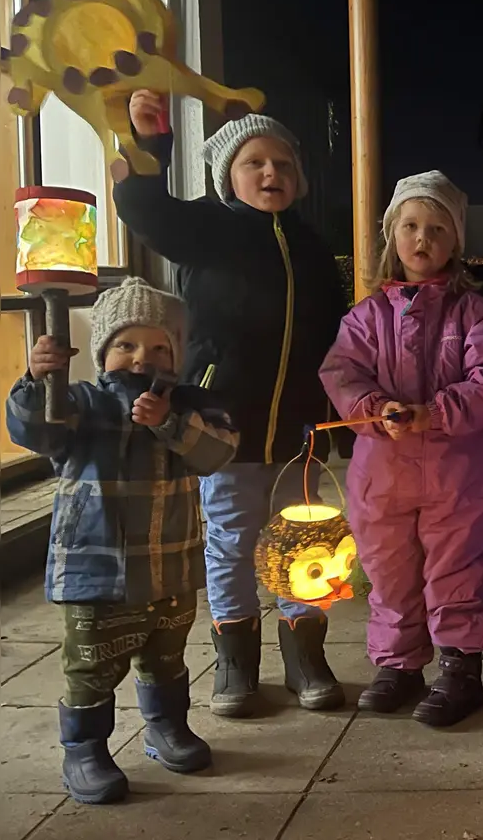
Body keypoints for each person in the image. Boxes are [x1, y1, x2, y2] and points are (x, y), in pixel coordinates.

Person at [116, 91, 349, 718]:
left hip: (300, 429)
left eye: (284, 164)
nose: (272, 173)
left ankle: (306, 657)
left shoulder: (312, 247)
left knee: (304, 540)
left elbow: (336, 336)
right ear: (228, 177)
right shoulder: (208, 231)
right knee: (230, 543)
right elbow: (145, 209)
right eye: (255, 163)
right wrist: (149, 144)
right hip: (223, 426)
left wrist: (342, 418)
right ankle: (236, 662)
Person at [6, 278, 239, 804]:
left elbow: (218, 452)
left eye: (159, 347)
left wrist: (169, 424)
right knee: (91, 663)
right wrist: (36, 381)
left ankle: (166, 726)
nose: (141, 358)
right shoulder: (80, 402)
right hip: (96, 568)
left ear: (177, 355)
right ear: (101, 351)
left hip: (171, 566)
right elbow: (36, 431)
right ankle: (84, 750)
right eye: (126, 344)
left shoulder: (192, 405)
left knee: (167, 654)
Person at [320, 171, 483, 727]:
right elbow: (342, 373)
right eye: (410, 226)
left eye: (436, 228)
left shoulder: (473, 314)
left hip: (457, 474)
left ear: (455, 242)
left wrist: (438, 411)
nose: (422, 238)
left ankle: (460, 668)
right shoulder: (366, 317)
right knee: (389, 569)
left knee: (457, 568)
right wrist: (375, 407)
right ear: (392, 235)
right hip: (382, 474)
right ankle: (399, 664)